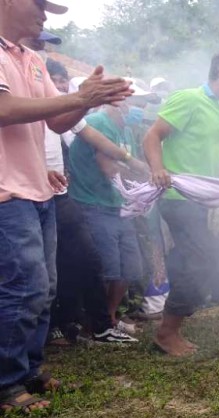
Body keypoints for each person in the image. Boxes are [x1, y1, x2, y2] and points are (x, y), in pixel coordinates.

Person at [0, 0, 133, 414]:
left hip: (39, 189)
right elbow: (3, 110)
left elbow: (56, 122)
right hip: (7, 191)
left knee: (44, 289)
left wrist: (86, 100)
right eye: (37, 3)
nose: (45, 13)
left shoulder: (33, 59)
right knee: (23, 288)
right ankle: (6, 385)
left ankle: (29, 370)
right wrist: (77, 96)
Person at [143, 48, 219, 357]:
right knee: (206, 258)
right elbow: (152, 136)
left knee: (195, 261)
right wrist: (157, 169)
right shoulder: (188, 99)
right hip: (177, 195)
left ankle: (170, 325)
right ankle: (167, 332)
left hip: (204, 202)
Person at [69, 99, 149, 331]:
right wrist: (143, 178)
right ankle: (96, 321)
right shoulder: (96, 122)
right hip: (93, 204)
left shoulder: (125, 130)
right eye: (135, 103)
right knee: (107, 268)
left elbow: (130, 168)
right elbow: (108, 167)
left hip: (118, 206)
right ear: (118, 103)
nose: (139, 108)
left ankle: (110, 316)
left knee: (130, 266)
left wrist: (147, 179)